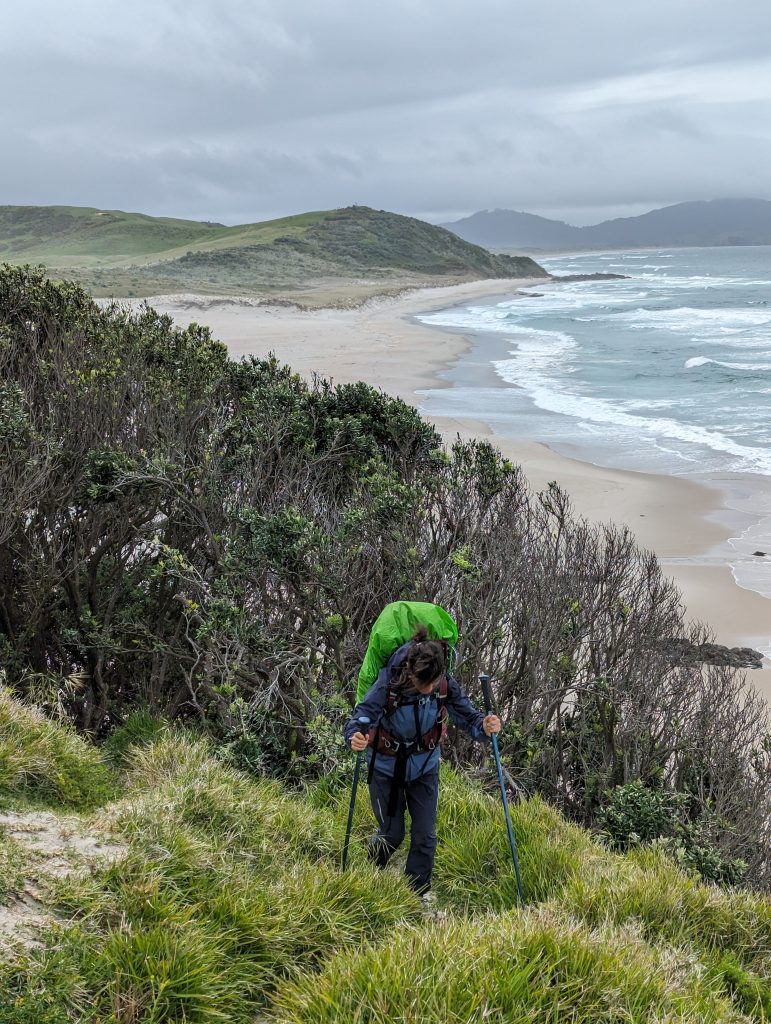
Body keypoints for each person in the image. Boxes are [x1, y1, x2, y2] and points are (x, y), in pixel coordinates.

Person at [343, 626, 501, 896]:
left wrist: (485, 727)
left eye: (432, 683)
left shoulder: (444, 684)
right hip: (385, 768)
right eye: (422, 683)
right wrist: (355, 736)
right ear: (410, 670)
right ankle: (369, 874)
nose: (428, 689)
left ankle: (414, 896)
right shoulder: (388, 682)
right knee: (392, 834)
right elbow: (362, 716)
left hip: (425, 766)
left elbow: (470, 718)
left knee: (425, 837)